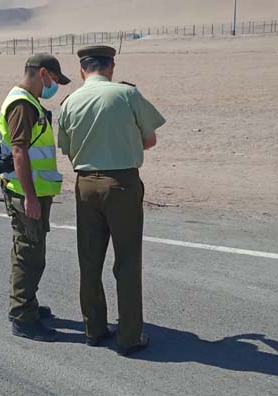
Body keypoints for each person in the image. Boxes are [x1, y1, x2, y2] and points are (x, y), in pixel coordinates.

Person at [58, 45, 166, 356]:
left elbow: (67, 148)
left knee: (89, 260)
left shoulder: (69, 102)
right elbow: (150, 139)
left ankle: (94, 328)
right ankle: (129, 335)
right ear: (111, 67)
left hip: (86, 185)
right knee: (128, 261)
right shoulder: (127, 95)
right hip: (122, 183)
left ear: (82, 70)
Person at [0, 54, 71, 342]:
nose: (54, 87)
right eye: (54, 80)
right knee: (29, 254)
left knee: (31, 250)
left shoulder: (27, 101)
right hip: (26, 193)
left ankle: (29, 304)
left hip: (32, 190)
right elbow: (19, 152)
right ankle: (23, 317)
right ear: (42, 74)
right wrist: (30, 197)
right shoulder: (23, 105)